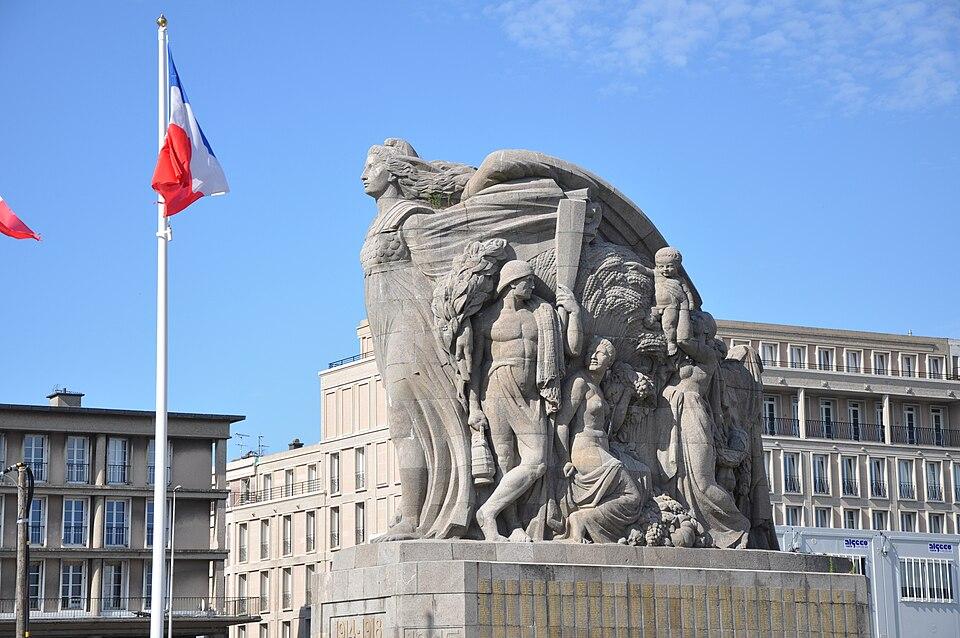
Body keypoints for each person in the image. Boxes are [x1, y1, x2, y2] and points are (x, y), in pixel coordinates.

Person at [360, 139, 475, 540]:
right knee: (400, 418)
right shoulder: (380, 222)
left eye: (372, 166)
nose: (363, 174)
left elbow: (448, 268)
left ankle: (419, 515)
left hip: (412, 326)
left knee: (411, 414)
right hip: (386, 326)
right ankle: (414, 509)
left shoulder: (411, 218)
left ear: (393, 172)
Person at [469, 260, 583, 541]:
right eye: (527, 280)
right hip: (496, 389)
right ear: (511, 283)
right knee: (505, 460)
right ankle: (512, 525)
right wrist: (473, 406)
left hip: (531, 395)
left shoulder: (542, 314)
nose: (532, 285)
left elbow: (572, 348)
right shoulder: (486, 319)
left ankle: (487, 511)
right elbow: (474, 367)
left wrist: (574, 313)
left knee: (537, 462)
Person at [656, 309, 751, 548]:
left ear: (706, 331)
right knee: (674, 478)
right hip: (670, 414)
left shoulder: (707, 355)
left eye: (696, 318)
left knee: (703, 482)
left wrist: (681, 304)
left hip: (692, 412)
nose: (691, 318)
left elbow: (682, 338)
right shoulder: (683, 357)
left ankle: (738, 526)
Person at [555, 337, 646, 543]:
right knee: (632, 496)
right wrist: (564, 459)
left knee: (640, 482)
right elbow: (562, 423)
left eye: (599, 353)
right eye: (590, 352)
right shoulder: (580, 382)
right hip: (585, 449)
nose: (593, 356)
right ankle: (581, 520)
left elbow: (613, 427)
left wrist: (627, 394)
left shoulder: (599, 388)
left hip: (601, 448)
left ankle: (586, 519)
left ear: (610, 361)